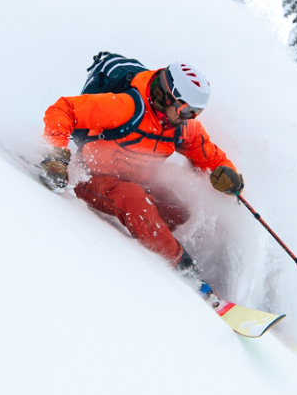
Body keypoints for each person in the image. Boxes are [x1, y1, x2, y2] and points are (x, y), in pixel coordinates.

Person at [41, 61, 244, 282]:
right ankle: (182, 271)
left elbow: (210, 155)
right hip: (92, 178)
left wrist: (227, 175)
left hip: (138, 181)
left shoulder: (181, 126)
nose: (190, 118)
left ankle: (157, 242)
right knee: (135, 201)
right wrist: (56, 156)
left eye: (196, 112)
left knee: (180, 211)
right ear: (168, 97)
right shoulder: (126, 107)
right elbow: (64, 110)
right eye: (187, 110)